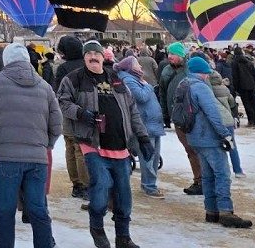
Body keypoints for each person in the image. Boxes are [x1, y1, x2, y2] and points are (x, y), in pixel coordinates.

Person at [57, 40, 148, 248]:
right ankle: (97, 227)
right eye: (88, 53)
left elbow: (132, 108)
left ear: (101, 56)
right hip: (93, 144)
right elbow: (62, 101)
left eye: (95, 53)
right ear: (84, 57)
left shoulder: (115, 78)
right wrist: (80, 113)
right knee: (101, 187)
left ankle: (123, 237)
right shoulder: (74, 79)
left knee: (124, 194)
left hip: (120, 147)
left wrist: (142, 137)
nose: (92, 56)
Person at [0, 43, 61, 248]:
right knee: (38, 210)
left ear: (6, 60)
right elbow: (57, 123)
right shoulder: (45, 86)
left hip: (7, 157)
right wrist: (45, 145)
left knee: (5, 211)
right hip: (37, 158)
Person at [180, 57, 251, 228]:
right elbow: (213, 113)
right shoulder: (201, 88)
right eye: (206, 73)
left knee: (208, 175)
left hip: (194, 137)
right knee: (221, 174)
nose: (207, 76)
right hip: (208, 137)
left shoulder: (184, 85)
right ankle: (226, 211)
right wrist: (225, 134)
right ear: (201, 72)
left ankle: (211, 210)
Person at [116, 55, 164, 198]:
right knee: (147, 157)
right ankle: (149, 186)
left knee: (153, 157)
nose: (140, 67)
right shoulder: (128, 80)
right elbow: (140, 97)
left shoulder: (136, 79)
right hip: (144, 125)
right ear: (130, 67)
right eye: (137, 64)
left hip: (152, 124)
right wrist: (149, 86)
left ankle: (149, 184)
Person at [158, 41, 202, 194]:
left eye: (173, 54)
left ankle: (204, 180)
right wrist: (165, 115)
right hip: (177, 118)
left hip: (194, 117)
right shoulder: (165, 71)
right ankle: (199, 181)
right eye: (169, 54)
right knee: (189, 150)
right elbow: (162, 94)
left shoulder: (191, 70)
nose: (170, 56)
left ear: (181, 55)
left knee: (198, 149)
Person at [54, 36, 88, 199]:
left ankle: (77, 184)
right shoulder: (86, 64)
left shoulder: (63, 69)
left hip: (68, 113)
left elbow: (59, 92)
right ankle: (86, 184)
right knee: (82, 150)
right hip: (86, 112)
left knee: (71, 148)